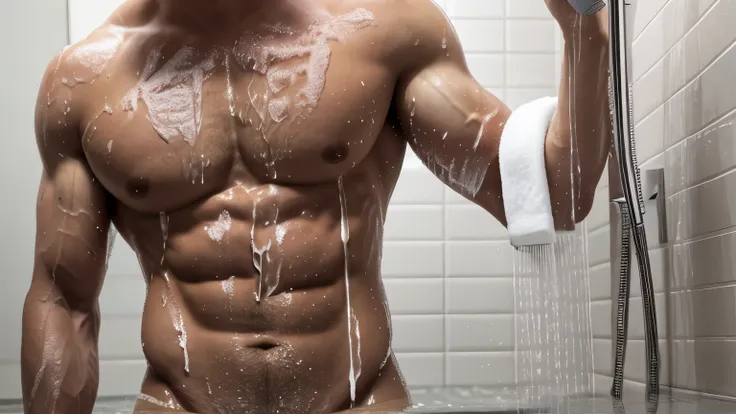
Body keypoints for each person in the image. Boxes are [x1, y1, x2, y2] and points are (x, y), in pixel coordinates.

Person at [21, 0, 610, 412]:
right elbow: (62, 300)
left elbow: (555, 196)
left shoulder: (382, 30)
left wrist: (585, 28)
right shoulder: (82, 82)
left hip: (357, 403)